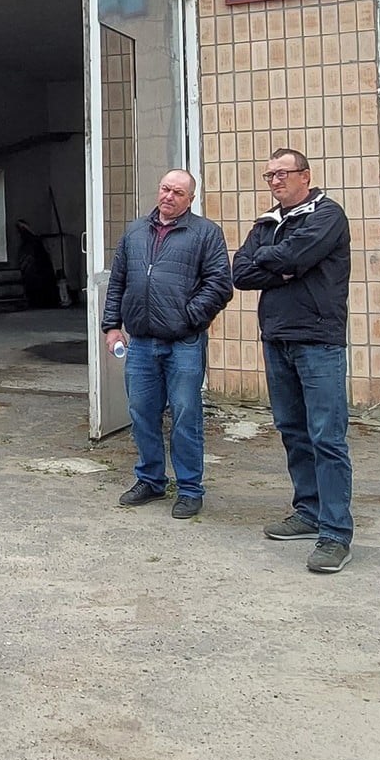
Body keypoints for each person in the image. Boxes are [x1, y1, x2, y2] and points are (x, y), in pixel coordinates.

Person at [232, 147, 354, 573]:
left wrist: (285, 263)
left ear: (305, 175)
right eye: (268, 176)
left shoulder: (327, 215)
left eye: (282, 173)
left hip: (318, 340)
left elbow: (296, 256)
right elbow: (240, 272)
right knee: (292, 430)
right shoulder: (268, 221)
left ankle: (336, 533)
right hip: (277, 337)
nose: (275, 181)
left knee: (327, 436)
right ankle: (308, 510)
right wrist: (283, 267)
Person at [103, 166, 233, 519]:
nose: (168, 196)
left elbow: (220, 285)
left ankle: (190, 489)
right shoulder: (134, 232)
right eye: (164, 189)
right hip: (142, 343)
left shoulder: (205, 233)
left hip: (184, 343)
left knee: (185, 415)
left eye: (177, 192)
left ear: (191, 199)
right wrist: (111, 326)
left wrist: (189, 317)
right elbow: (118, 281)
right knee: (142, 414)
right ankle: (150, 480)